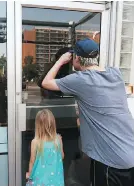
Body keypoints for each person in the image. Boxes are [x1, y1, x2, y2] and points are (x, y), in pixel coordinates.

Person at [41, 38, 134, 186]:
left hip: (110, 159)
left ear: (77, 58)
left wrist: (60, 61)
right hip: (129, 150)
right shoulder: (115, 73)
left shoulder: (81, 80)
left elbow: (46, 82)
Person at [26, 109, 65, 186]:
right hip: (56, 181)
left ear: (37, 125)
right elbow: (62, 156)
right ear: (53, 124)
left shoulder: (35, 142)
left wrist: (30, 177)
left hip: (39, 182)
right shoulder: (58, 139)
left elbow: (32, 162)